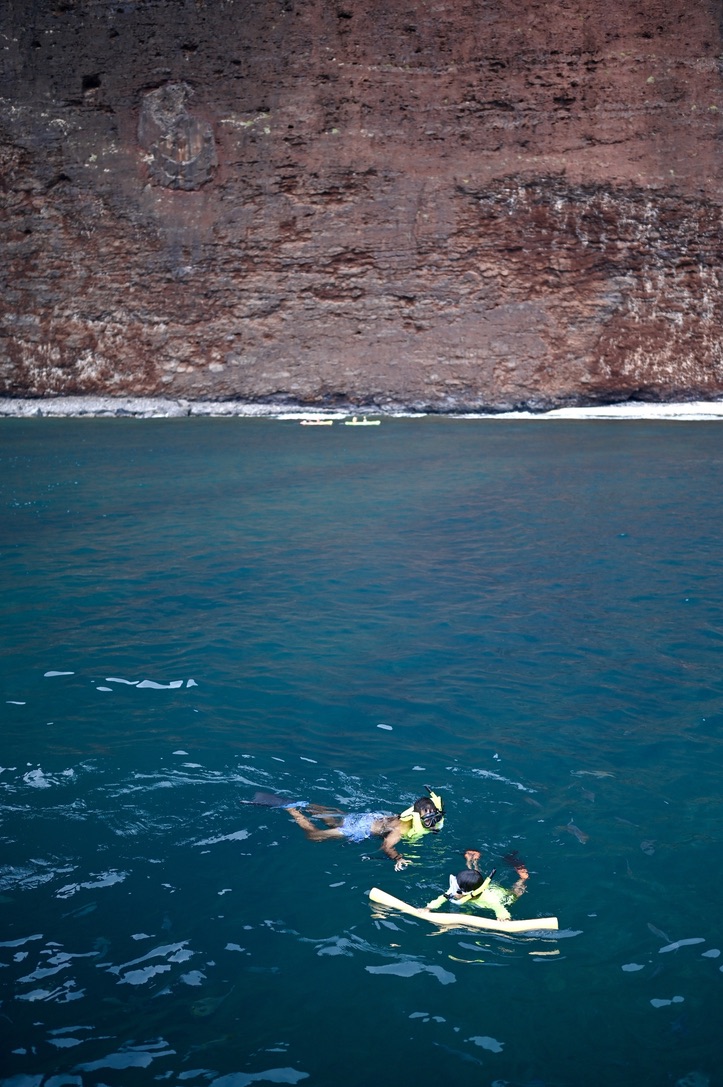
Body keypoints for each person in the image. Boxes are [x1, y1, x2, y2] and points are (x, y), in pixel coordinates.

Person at [284, 788, 445, 872]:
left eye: (435, 819)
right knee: (314, 836)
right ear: (417, 816)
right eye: (428, 820)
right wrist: (398, 858)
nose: (432, 823)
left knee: (334, 821)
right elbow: (386, 846)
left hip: (371, 818)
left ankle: (305, 804)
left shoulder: (422, 819)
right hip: (360, 829)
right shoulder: (402, 828)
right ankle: (292, 810)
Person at [426, 848, 529, 921]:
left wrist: (504, 917)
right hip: (482, 887)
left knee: (516, 893)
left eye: (456, 890)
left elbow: (499, 908)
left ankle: (523, 877)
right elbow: (442, 897)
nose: (453, 892)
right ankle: (473, 860)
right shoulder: (457, 891)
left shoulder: (490, 900)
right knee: (472, 877)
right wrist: (428, 908)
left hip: (500, 895)